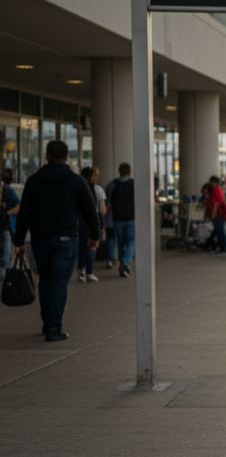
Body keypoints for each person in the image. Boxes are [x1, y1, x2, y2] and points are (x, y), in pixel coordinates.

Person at [12, 140, 101, 341]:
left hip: (40, 238)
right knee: (59, 282)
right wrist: (95, 236)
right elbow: (90, 211)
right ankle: (54, 328)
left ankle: (47, 323)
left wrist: (19, 241)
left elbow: (24, 213)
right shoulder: (76, 181)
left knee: (45, 280)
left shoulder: (34, 181)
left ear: (47, 156)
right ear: (67, 157)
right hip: (66, 238)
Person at [106, 162, 136, 276]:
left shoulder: (112, 184)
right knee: (131, 241)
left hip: (117, 218)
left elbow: (108, 201)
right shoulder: (134, 184)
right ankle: (125, 262)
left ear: (119, 171)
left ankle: (122, 267)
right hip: (131, 217)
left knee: (121, 242)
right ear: (130, 171)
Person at [203, 176, 226, 254]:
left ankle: (223, 247)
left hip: (218, 213)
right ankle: (208, 243)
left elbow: (215, 204)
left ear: (215, 182)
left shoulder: (215, 191)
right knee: (217, 230)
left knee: (219, 230)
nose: (211, 183)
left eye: (211, 182)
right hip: (221, 213)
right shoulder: (219, 190)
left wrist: (213, 215)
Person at [1, 168, 20, 270]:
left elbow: (19, 207)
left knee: (5, 262)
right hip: (6, 230)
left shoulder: (7, 190)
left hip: (5, 229)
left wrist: (6, 213)